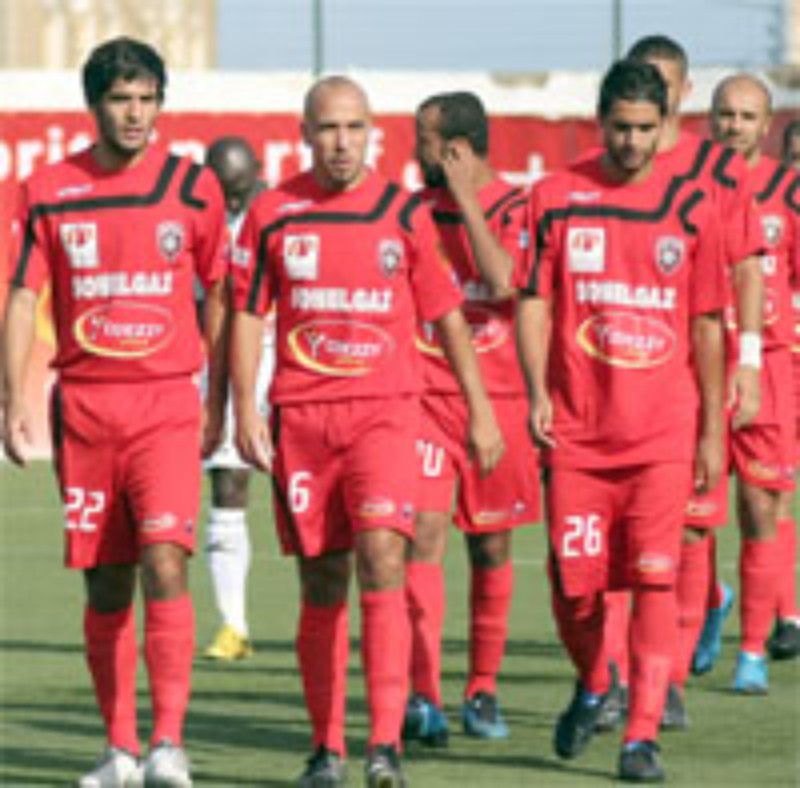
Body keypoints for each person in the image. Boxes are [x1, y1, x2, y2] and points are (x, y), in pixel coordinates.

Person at [226, 75, 504, 787]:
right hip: (303, 419)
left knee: (383, 557)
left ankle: (385, 745)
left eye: (353, 128)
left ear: (372, 133)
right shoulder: (272, 213)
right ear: (304, 134)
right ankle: (327, 748)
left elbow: (446, 314)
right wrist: (244, 408)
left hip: (386, 413)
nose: (341, 143)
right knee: (323, 580)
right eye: (328, 129)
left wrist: (479, 409)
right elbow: (248, 313)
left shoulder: (401, 213)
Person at [1, 37, 228, 788]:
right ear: (93, 105)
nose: (135, 114)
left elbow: (221, 294)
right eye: (120, 99)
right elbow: (23, 296)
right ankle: (120, 750)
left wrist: (218, 398)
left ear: (161, 103)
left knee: (166, 560)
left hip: (165, 406)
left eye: (146, 99)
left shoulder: (193, 189)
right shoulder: (46, 190)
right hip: (86, 412)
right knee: (106, 582)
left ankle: (168, 744)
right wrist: (10, 397)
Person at [517, 59, 727, 782]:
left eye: (645, 128)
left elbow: (706, 324)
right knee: (576, 589)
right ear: (599, 121)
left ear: (665, 124)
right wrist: (536, 391)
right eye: (620, 128)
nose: (632, 142)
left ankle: (641, 737)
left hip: (662, 435)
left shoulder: (693, 207)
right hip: (578, 433)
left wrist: (710, 430)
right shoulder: (554, 198)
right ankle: (594, 683)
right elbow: (534, 300)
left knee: (654, 582)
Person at [594, 34, 766, 732]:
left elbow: (747, 265)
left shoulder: (717, 170)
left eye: (663, 85)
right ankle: (612, 676)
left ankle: (665, 683)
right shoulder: (600, 175)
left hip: (695, 367)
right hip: (611, 377)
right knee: (615, 538)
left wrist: (748, 358)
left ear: (682, 93)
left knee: (691, 530)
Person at [402, 91, 540, 746]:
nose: (414, 151)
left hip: (502, 398)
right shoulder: (414, 212)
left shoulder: (518, 206)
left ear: (454, 149)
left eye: (423, 140)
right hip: (428, 395)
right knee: (421, 535)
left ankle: (482, 687)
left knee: (491, 545)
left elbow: (506, 280)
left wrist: (466, 202)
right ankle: (423, 693)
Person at [710, 74, 800, 678]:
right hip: (698, 363)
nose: (734, 126)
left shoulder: (788, 192)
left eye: (747, 116)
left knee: (761, 505)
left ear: (766, 126)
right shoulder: (688, 187)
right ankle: (706, 601)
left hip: (768, 363)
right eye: (726, 114)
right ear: (710, 119)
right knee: (690, 513)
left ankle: (752, 650)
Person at [200, 136, 273, 661]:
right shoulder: (196, 218)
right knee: (228, 483)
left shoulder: (279, 216)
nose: (228, 202)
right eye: (221, 190)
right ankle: (234, 625)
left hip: (287, 359)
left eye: (238, 191)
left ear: (258, 176)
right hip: (224, 360)